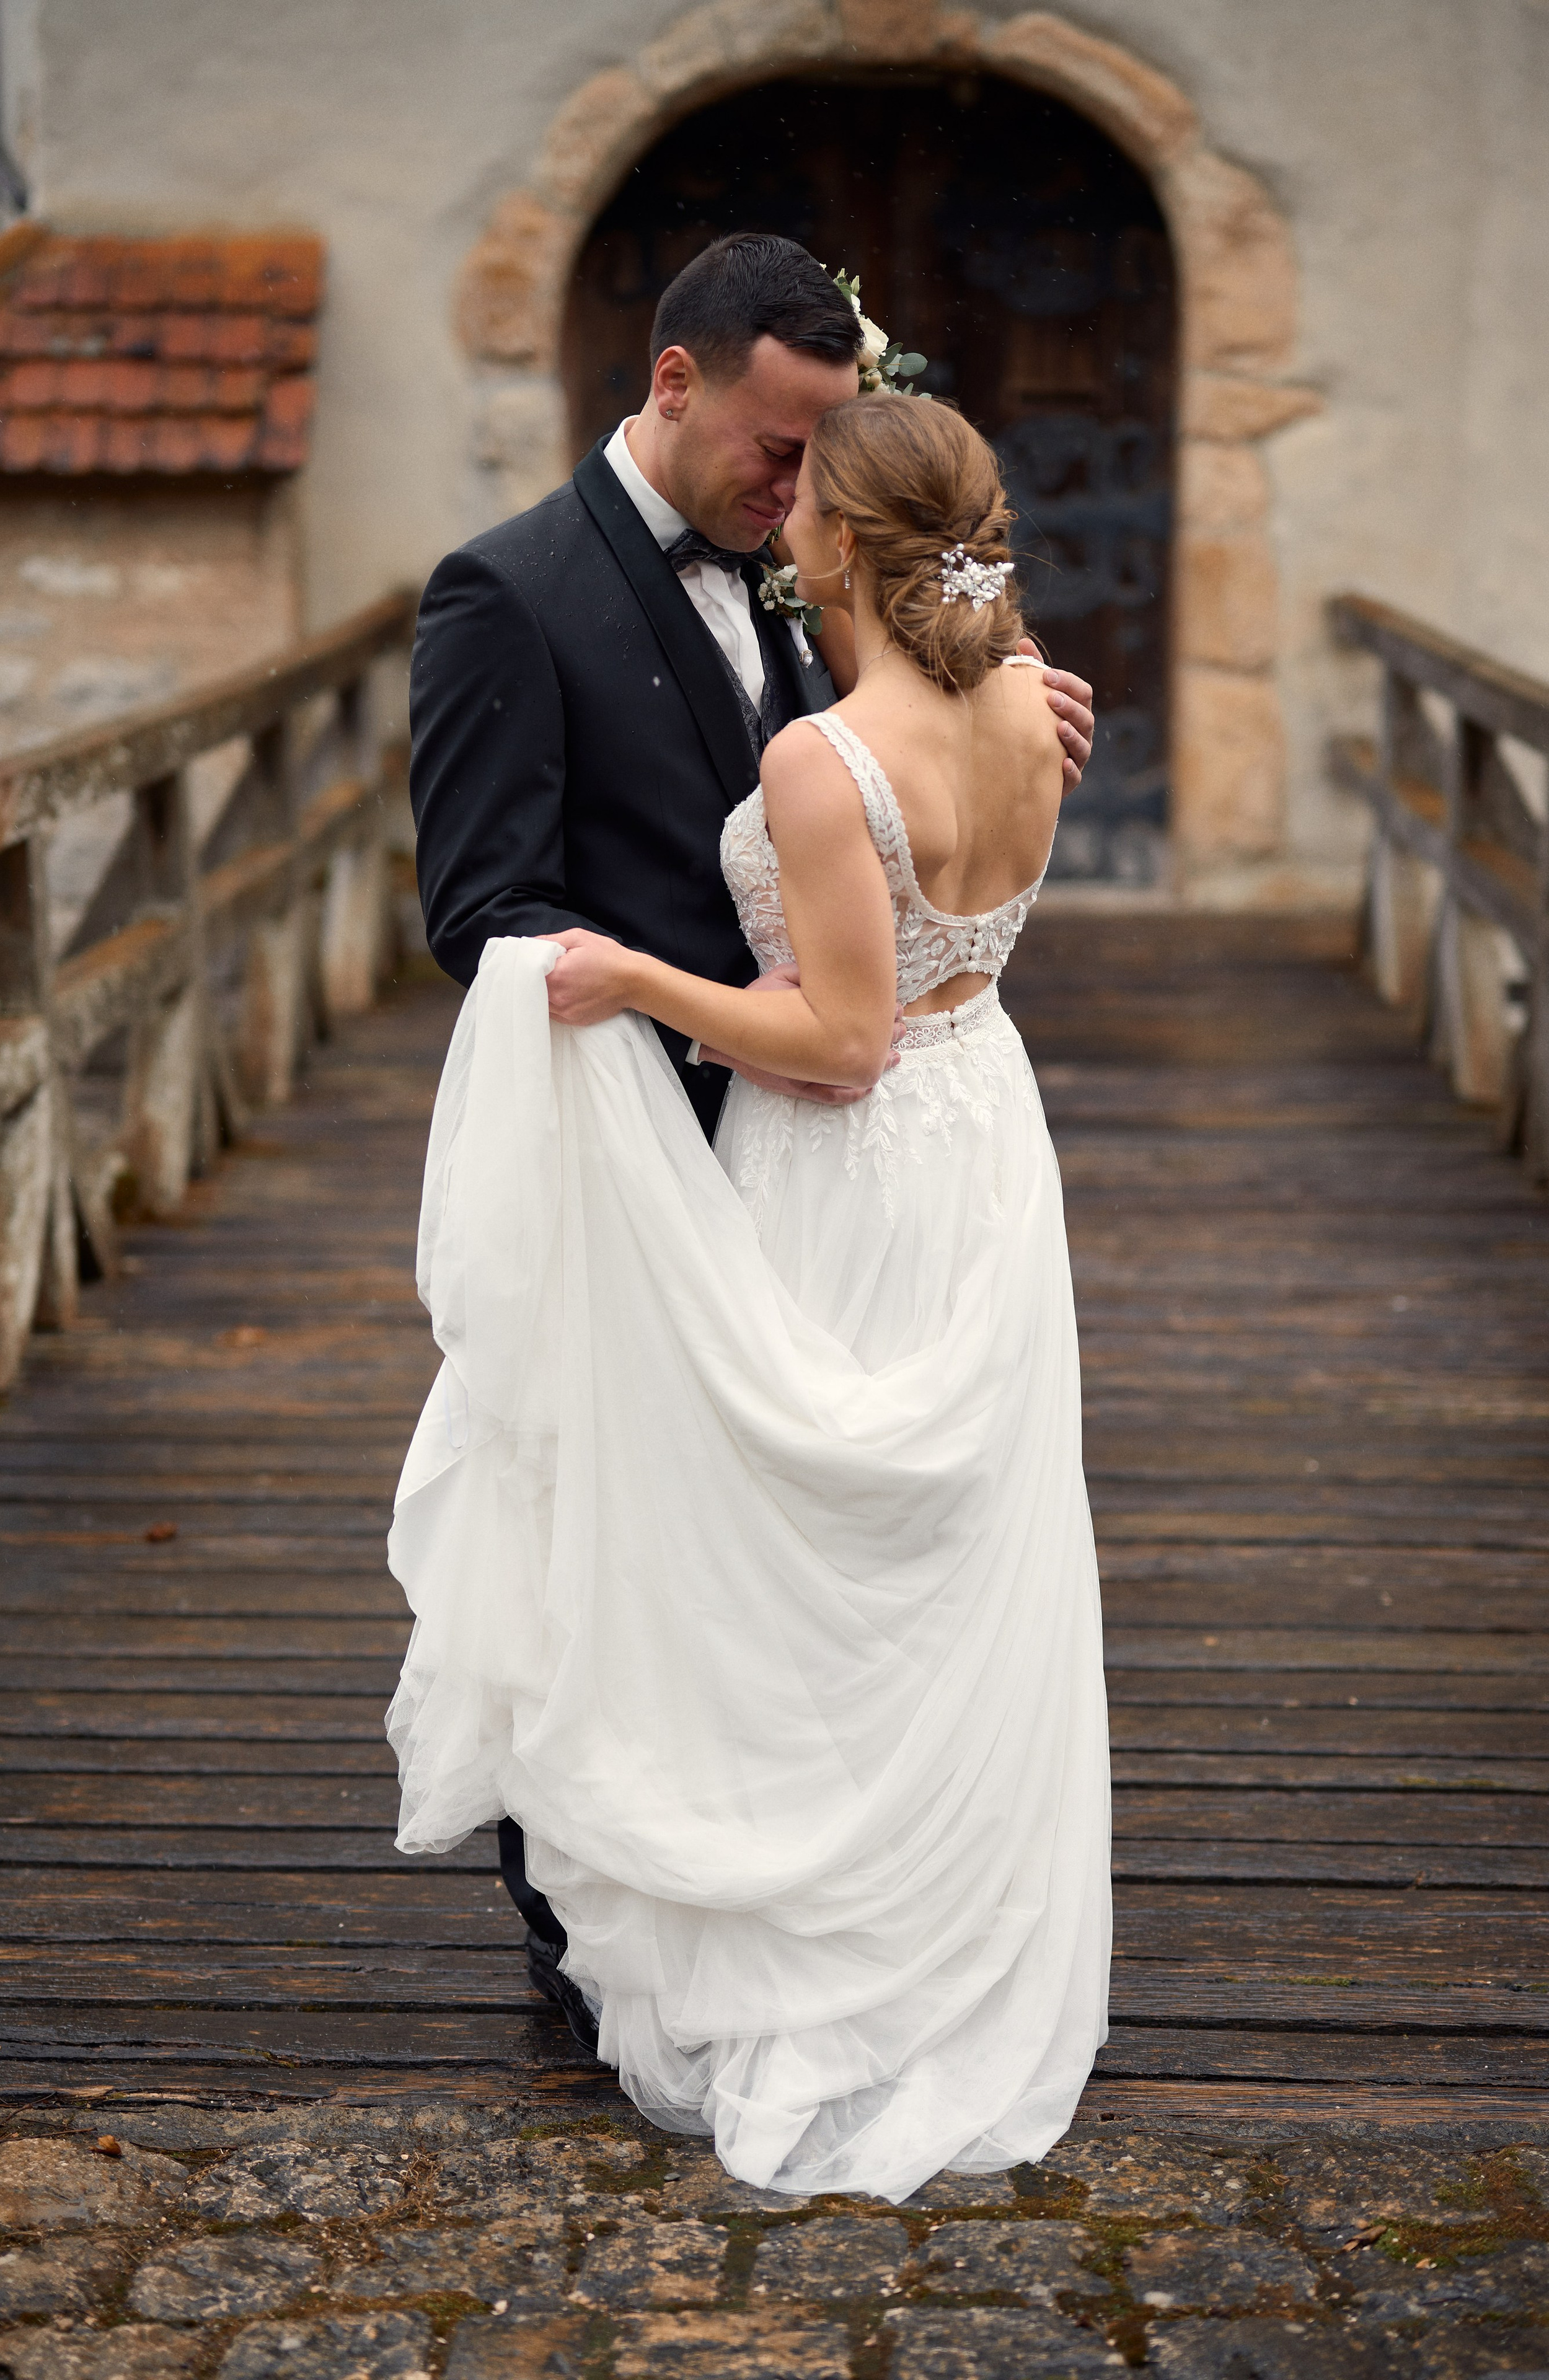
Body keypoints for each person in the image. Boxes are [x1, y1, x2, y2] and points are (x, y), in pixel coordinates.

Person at [387, 384, 1111, 2203]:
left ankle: (799, 1941)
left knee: (776, 1541)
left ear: (843, 546)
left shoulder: (818, 757)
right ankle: (933, 1939)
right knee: (937, 1555)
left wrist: (636, 979)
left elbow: (844, 1044)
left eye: (807, 506)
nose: (778, 518)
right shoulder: (1034, 704)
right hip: (984, 1145)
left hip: (840, 1167)